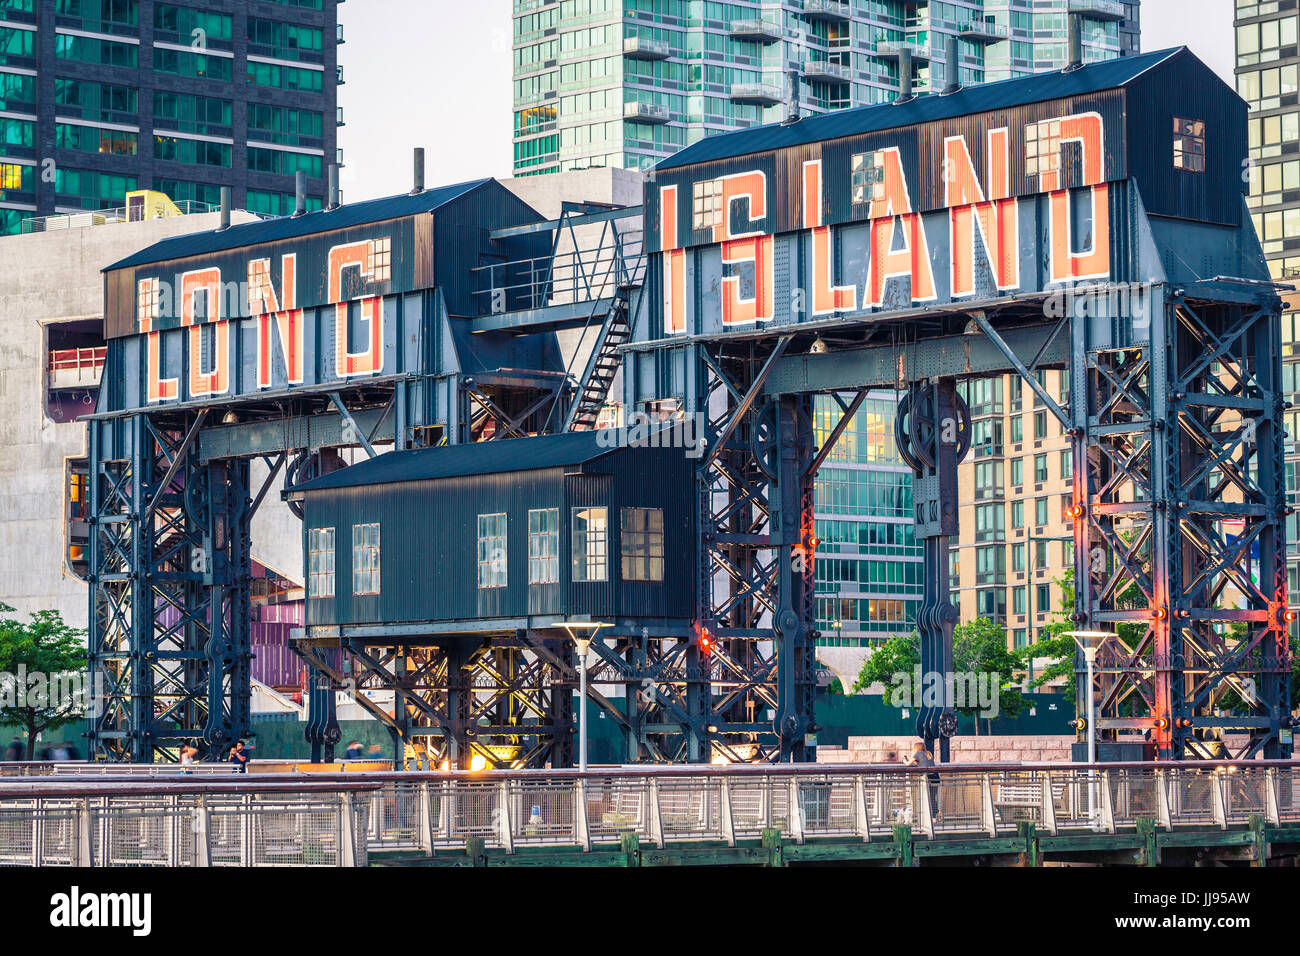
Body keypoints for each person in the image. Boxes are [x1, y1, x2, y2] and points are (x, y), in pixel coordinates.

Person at [903, 740, 943, 824]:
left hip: (927, 778)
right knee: (932, 797)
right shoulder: (928, 754)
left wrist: (904, 761)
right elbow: (922, 763)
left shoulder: (918, 754)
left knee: (926, 797)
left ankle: (932, 818)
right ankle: (936, 813)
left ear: (916, 748)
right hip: (936, 777)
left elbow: (908, 764)